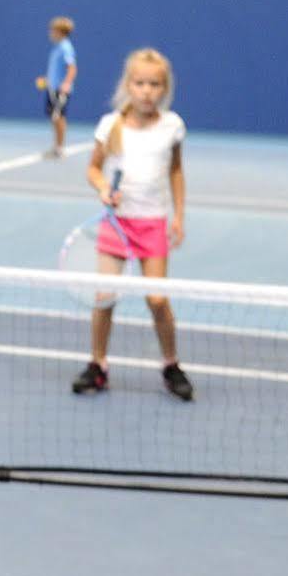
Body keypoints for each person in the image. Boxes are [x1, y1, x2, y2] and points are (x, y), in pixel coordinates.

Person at [70, 48, 193, 401]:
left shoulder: (172, 126)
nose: (146, 91)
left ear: (164, 88)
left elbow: (176, 170)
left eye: (154, 84)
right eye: (139, 83)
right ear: (129, 85)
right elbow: (93, 169)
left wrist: (179, 216)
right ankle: (98, 365)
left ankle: (171, 364)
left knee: (156, 300)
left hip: (152, 224)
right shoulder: (112, 126)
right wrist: (104, 187)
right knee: (104, 297)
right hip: (117, 225)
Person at [38, 16, 77, 157]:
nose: (50, 33)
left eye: (53, 30)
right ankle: (56, 147)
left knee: (58, 117)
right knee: (54, 117)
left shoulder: (66, 47)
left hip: (60, 90)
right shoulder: (57, 48)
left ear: (60, 32)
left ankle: (60, 148)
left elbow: (72, 68)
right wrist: (47, 80)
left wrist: (66, 84)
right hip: (52, 88)